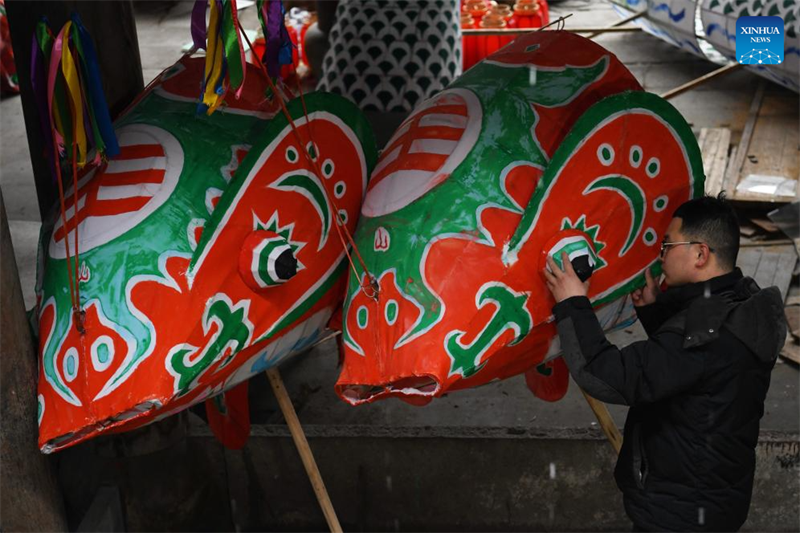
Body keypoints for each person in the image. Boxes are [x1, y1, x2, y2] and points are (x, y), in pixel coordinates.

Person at [542, 195, 786, 533]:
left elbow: (606, 375)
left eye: (668, 246)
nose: (661, 256)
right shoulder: (743, 303)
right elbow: (696, 373)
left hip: (679, 513)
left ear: (701, 253)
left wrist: (572, 303)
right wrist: (657, 312)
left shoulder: (702, 338)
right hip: (715, 498)